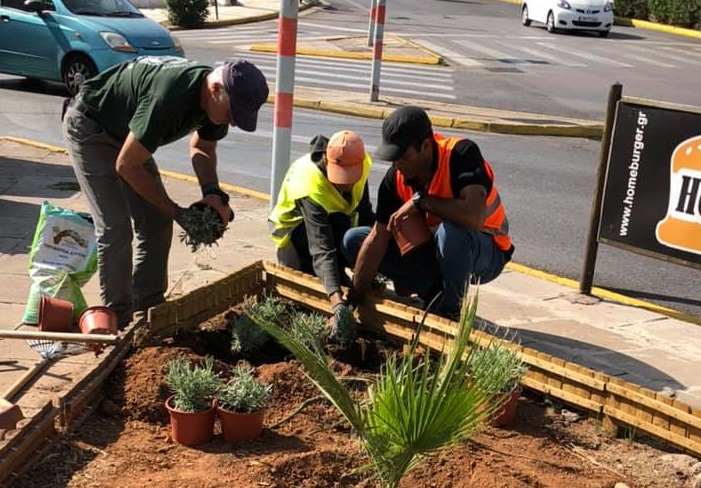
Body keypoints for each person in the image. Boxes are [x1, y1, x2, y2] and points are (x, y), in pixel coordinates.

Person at [62, 56, 269, 328]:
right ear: (216, 89)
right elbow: (127, 165)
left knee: (156, 222)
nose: (231, 122)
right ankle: (117, 320)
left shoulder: (215, 102)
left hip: (131, 136)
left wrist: (212, 192)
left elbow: (202, 148)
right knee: (116, 227)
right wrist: (177, 212)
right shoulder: (169, 97)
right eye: (232, 114)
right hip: (91, 126)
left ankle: (150, 311)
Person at [343, 106, 514, 320]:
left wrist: (421, 202)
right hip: (437, 249)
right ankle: (433, 294)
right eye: (393, 158)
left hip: (486, 251)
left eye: (403, 156)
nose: (397, 164)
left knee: (450, 232)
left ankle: (450, 311)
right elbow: (378, 239)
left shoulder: (460, 155)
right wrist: (352, 299)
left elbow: (474, 218)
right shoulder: (395, 177)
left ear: (425, 146)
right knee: (355, 240)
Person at [269, 131, 374, 344]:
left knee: (349, 233)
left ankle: (335, 279)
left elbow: (365, 218)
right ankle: (325, 284)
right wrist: (337, 302)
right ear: (327, 163)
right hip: (295, 237)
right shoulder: (309, 183)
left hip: (335, 225)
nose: (346, 185)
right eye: (341, 179)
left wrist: (366, 273)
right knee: (303, 298)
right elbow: (321, 247)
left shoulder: (362, 165)